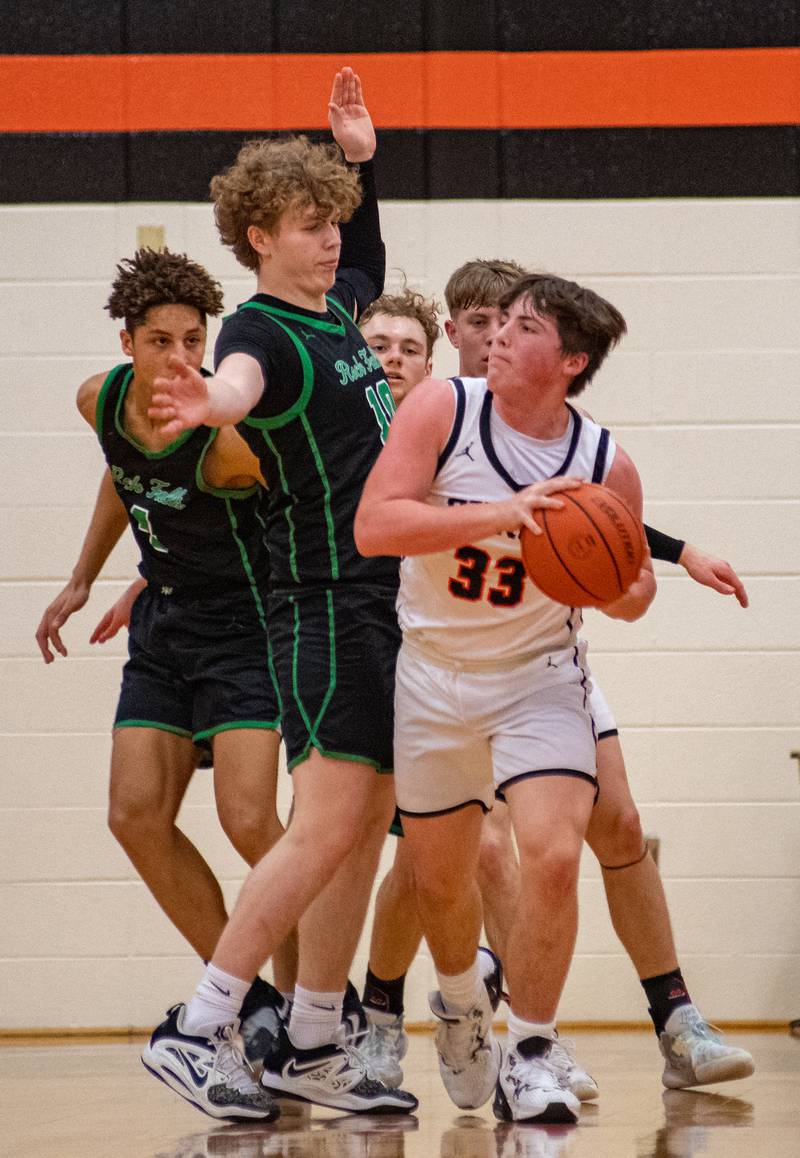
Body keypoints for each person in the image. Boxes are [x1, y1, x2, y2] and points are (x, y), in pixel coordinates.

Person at [356, 263, 754, 1100]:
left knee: (554, 855)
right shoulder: (442, 408)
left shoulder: (604, 460)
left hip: (540, 676)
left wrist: (611, 582)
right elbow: (375, 526)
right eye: (497, 323)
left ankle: (533, 1053)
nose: (499, 335)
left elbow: (635, 594)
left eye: (523, 326)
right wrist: (504, 515)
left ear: (571, 361)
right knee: (438, 879)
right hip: (432, 675)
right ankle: (461, 1003)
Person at [140, 68, 418, 1119]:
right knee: (324, 825)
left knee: (361, 820)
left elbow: (373, 257)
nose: (329, 239)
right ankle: (200, 1021)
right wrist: (213, 402)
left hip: (378, 605)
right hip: (328, 603)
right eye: (308, 225)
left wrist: (358, 165)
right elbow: (241, 384)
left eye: (330, 223)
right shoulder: (261, 331)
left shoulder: (337, 310)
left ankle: (310, 1039)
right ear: (259, 237)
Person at [35, 246, 294, 1121]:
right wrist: (84, 575)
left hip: (247, 632)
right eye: (160, 341)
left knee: (254, 823)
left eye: (194, 341)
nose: (179, 359)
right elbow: (123, 473)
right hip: (166, 632)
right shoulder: (98, 398)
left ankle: (308, 1016)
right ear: (128, 341)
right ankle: (253, 1004)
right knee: (133, 816)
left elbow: (297, 506)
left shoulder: (226, 441)